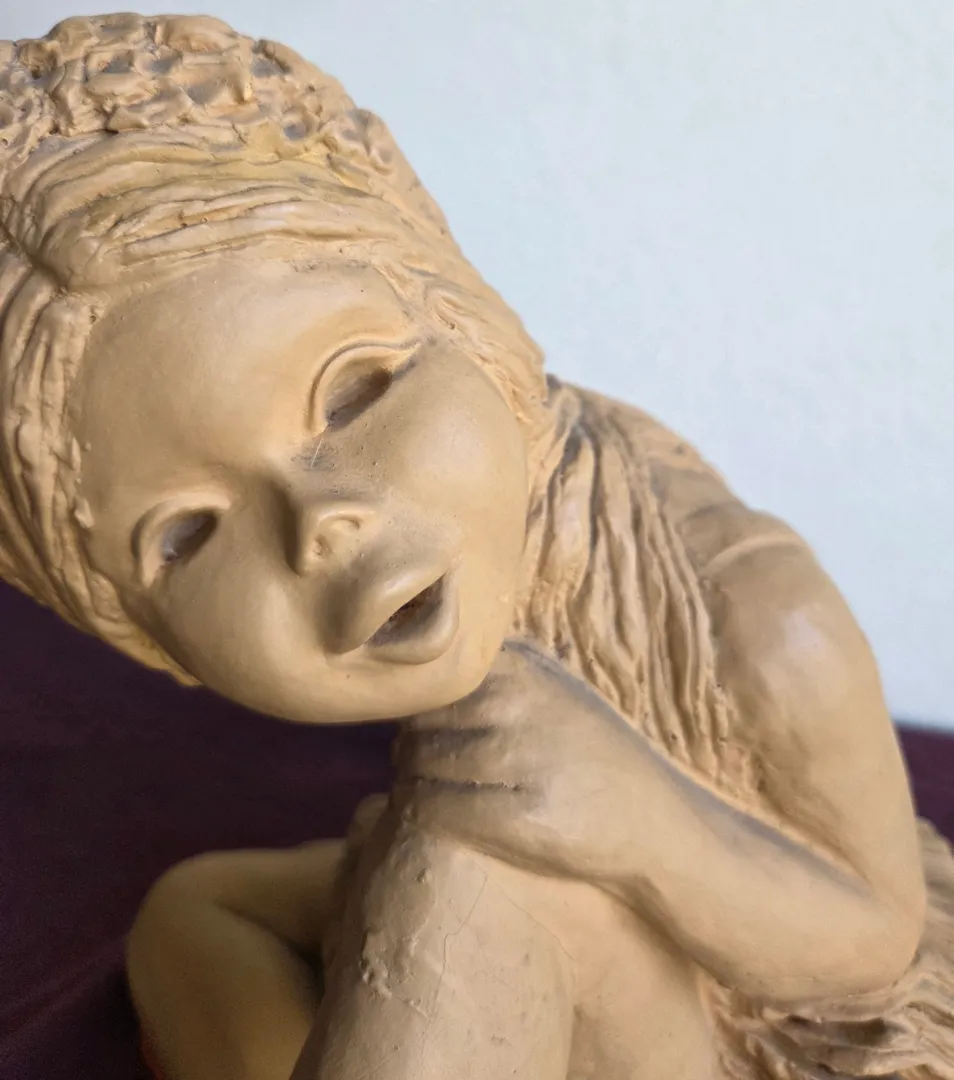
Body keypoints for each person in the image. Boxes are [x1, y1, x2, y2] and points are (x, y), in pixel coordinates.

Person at [1, 14, 952, 1080]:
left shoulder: (762, 620)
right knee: (201, 907)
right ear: (136, 632)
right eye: (189, 534)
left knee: (481, 853)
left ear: (467, 322)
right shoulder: (467, 582)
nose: (319, 525)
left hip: (767, 1025)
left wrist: (641, 824)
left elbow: (874, 942)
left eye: (354, 394)